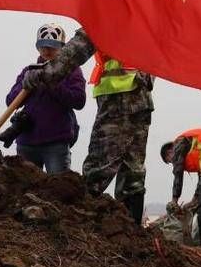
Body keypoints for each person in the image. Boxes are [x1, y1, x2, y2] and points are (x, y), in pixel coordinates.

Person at [22, 27, 153, 225]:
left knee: (97, 171)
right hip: (141, 98)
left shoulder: (112, 9)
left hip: (119, 98)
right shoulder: (143, 12)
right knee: (132, 172)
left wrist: (45, 73)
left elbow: (79, 47)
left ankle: (80, 229)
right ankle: (132, 236)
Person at [2, 24, 85, 174]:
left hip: (56, 143)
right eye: (43, 46)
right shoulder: (29, 71)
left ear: (62, 48)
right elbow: (10, 101)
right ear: (38, 47)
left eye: (52, 47)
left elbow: (79, 100)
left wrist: (52, 83)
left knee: (59, 188)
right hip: (27, 142)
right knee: (25, 189)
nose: (47, 50)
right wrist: (25, 85)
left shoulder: (72, 71)